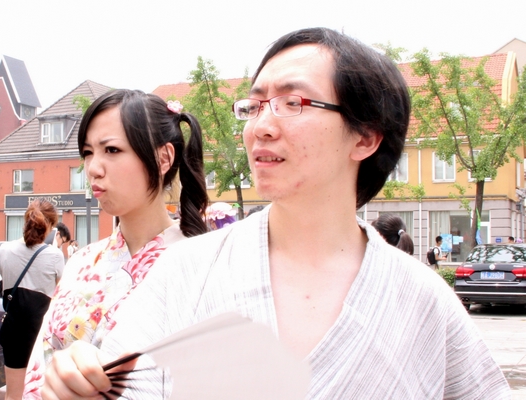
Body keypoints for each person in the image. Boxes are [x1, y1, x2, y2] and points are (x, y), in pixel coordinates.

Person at [43, 28, 509, 399]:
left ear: (365, 137)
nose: (260, 127)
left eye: (293, 102)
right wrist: (81, 386)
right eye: (254, 106)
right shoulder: (185, 273)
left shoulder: (424, 302)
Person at [22, 89, 208, 398]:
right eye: (88, 152)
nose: (93, 168)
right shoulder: (81, 262)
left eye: (111, 149)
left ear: (163, 158)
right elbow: (39, 369)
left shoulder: (202, 266)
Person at [0, 199, 64, 400]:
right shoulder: (55, 255)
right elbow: (61, 292)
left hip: (14, 330)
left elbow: (4, 279)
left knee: (13, 394)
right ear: (50, 225)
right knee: (44, 392)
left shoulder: (5, 249)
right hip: (41, 332)